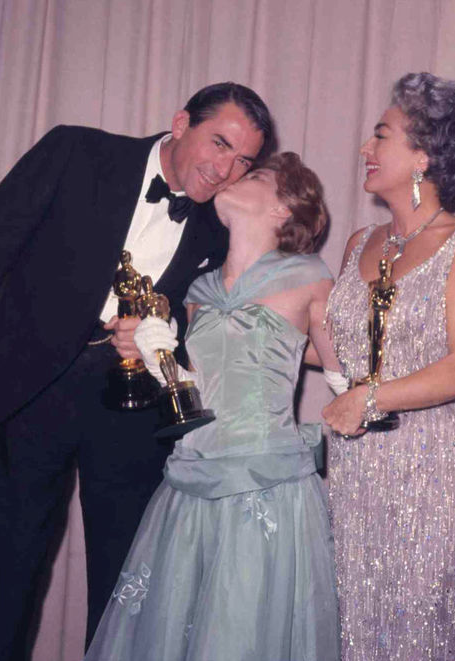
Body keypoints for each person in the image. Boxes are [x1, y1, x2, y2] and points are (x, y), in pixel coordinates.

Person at [0, 82, 272, 659]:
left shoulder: (219, 224)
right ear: (181, 122)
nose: (226, 169)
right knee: (10, 578)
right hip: (31, 393)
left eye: (243, 159)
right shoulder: (76, 153)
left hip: (130, 414)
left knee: (123, 589)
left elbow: (208, 321)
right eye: (219, 143)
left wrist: (164, 338)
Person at [84, 152, 340, 661]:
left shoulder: (309, 275)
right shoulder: (197, 289)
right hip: (190, 482)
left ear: (285, 208)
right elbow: (193, 388)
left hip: (263, 482)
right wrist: (160, 360)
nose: (236, 177)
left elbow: (341, 374)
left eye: (258, 176)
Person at [323, 72, 455, 659]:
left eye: (380, 136)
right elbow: (338, 350)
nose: (365, 151)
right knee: (352, 627)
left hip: (428, 470)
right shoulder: (357, 243)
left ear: (424, 154)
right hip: (350, 470)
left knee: (421, 630)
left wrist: (371, 398)